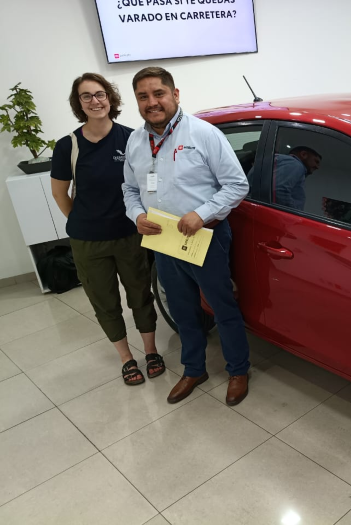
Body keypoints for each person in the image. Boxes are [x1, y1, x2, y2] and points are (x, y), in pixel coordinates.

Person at [122, 67, 251, 405]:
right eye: (143, 97)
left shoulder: (203, 134)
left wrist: (202, 213)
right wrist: (137, 215)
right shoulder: (135, 141)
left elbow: (237, 185)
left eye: (158, 93)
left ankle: (238, 370)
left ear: (175, 94)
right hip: (163, 241)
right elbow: (129, 189)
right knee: (182, 310)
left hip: (205, 237)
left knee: (222, 307)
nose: (152, 102)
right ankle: (194, 369)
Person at [51, 73, 163, 386]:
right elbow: (60, 193)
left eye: (100, 94)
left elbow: (147, 183)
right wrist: (83, 221)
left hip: (130, 235)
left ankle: (151, 351)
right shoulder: (68, 146)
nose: (95, 101)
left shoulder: (133, 138)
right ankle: (126, 358)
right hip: (88, 241)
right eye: (86, 96)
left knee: (141, 295)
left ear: (110, 99)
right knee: (105, 302)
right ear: (79, 103)